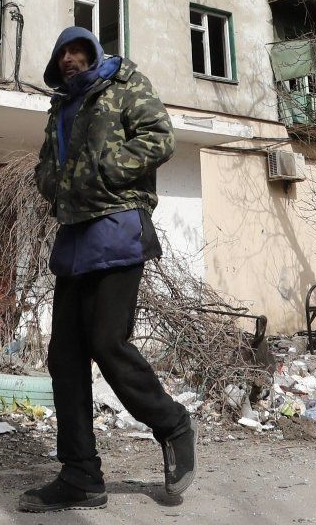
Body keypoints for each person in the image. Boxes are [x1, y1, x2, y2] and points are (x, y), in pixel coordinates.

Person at [21, 27, 196, 513]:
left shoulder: (125, 87)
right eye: (63, 55)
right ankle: (80, 475)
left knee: (107, 342)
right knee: (65, 358)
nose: (71, 60)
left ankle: (173, 425)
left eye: (79, 51)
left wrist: (102, 169)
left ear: (94, 53)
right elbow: (44, 165)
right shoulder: (60, 108)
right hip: (74, 236)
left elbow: (160, 138)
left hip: (118, 229)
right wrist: (54, 184)